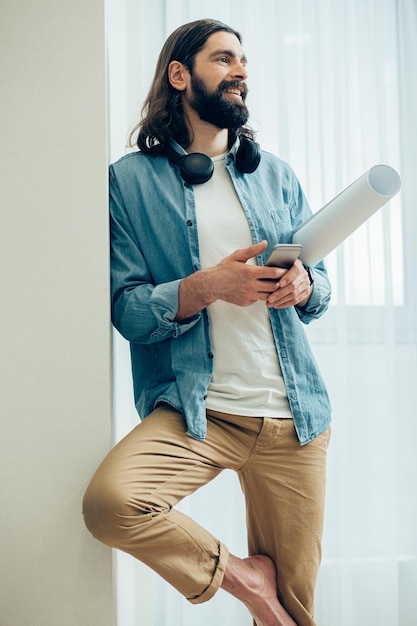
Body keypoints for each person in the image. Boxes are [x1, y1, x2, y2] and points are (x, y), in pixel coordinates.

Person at [83, 18, 332, 626]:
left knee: (293, 615)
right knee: (111, 504)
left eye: (243, 62)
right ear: (179, 74)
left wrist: (305, 284)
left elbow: (320, 291)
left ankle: (265, 594)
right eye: (223, 59)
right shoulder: (127, 182)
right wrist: (206, 287)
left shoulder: (274, 174)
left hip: (293, 416)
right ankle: (246, 578)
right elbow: (129, 312)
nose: (240, 72)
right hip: (198, 411)